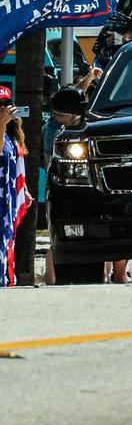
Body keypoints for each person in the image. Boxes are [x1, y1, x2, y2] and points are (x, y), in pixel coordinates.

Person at [41, 72, 108, 285]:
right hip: (66, 191)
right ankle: (61, 280)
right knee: (63, 242)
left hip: (85, 193)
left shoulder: (80, 127)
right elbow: (69, 98)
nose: (55, 115)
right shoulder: (55, 131)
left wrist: (88, 78)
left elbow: (71, 97)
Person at [0, 86, 32, 288]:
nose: (4, 109)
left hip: (8, 197)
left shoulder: (13, 136)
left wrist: (25, 189)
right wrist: (1, 123)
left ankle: (5, 278)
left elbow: (16, 165)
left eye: (7, 105)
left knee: (7, 237)